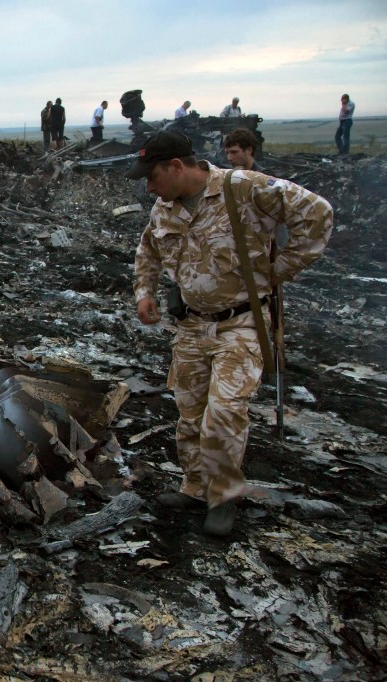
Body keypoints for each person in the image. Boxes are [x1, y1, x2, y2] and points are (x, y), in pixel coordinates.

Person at [128, 131, 333, 536]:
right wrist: (144, 292)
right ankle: (195, 487)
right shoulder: (164, 207)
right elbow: (148, 249)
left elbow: (318, 213)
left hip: (241, 322)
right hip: (191, 325)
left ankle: (223, 497)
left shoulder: (243, 187)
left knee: (222, 413)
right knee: (190, 411)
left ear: (176, 167)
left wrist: (280, 269)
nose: (148, 186)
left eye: (152, 177)